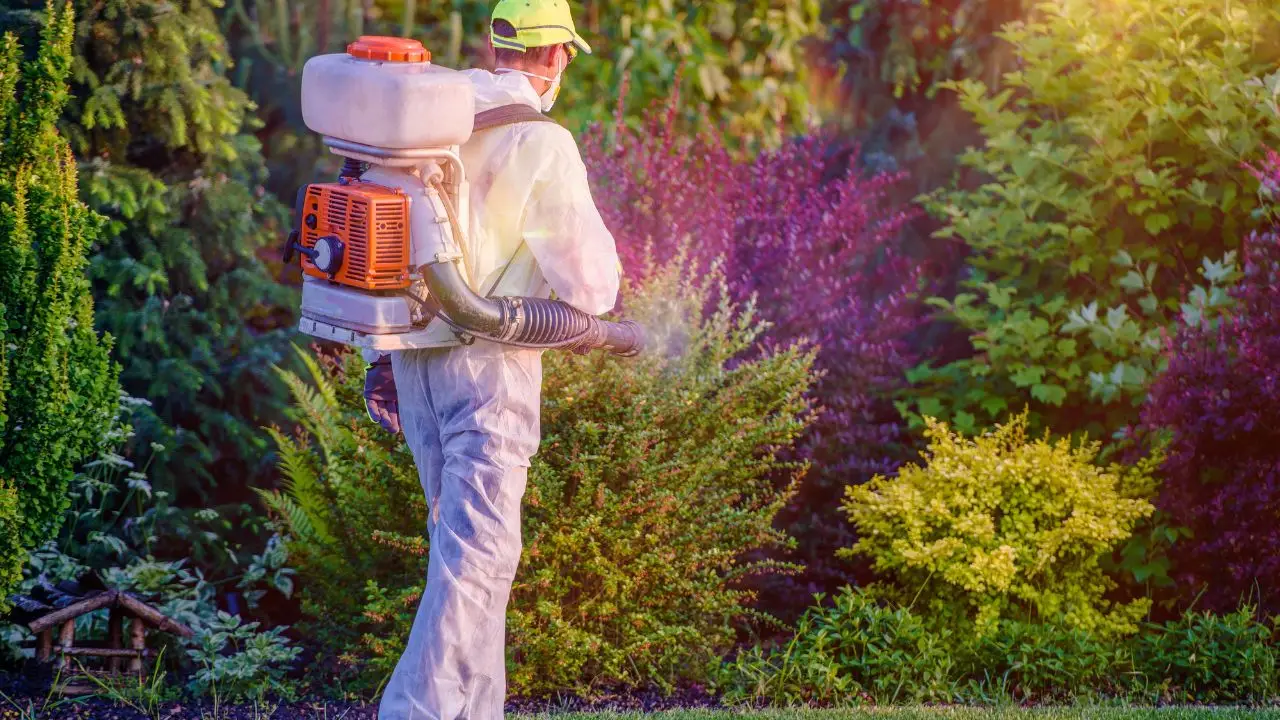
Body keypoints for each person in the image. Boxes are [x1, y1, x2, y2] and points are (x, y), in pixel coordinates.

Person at [366, 1, 621, 718]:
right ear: (559, 57)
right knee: (478, 558)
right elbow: (590, 287)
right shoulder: (542, 142)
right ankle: (411, 713)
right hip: (489, 364)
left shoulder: (431, 120)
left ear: (495, 44)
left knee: (466, 551)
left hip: (414, 359)